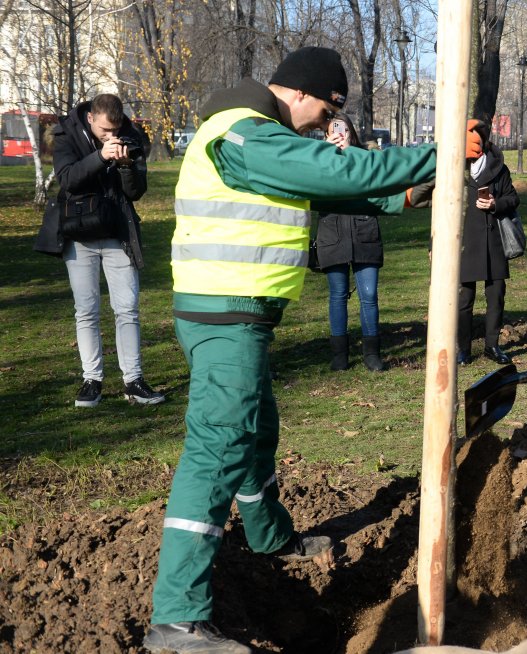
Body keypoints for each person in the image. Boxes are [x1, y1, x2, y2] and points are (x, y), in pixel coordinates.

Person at [144, 46, 442, 654]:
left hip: (239, 318)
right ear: (304, 93)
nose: (321, 125)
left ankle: (268, 537)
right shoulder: (246, 134)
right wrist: (432, 155)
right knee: (218, 447)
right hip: (223, 317)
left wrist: (408, 195)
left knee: (256, 432)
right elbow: (333, 172)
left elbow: (325, 191)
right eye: (326, 110)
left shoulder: (262, 138)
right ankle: (176, 619)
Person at [34, 93, 166, 407]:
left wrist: (124, 167)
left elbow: (137, 192)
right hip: (79, 235)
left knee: (127, 309)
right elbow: (68, 180)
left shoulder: (129, 136)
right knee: (87, 311)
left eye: (115, 131)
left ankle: (133, 381)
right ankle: (91, 380)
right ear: (91, 118)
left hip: (117, 234)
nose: (112, 136)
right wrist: (101, 157)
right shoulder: (66, 134)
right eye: (105, 131)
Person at [314, 113, 388, 372]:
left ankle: (371, 354)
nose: (338, 134)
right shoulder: (319, 159)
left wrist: (351, 155)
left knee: (369, 295)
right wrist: (329, 156)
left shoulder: (364, 156)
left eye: (343, 129)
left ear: (351, 132)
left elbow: (377, 185)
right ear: (325, 135)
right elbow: (315, 196)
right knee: (337, 296)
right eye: (333, 130)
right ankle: (340, 355)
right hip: (332, 235)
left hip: (364, 232)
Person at [458, 118, 519, 365]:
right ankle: (463, 348)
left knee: (496, 296)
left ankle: (492, 345)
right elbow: (439, 209)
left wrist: (495, 203)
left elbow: (513, 199)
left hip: (494, 240)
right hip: (464, 242)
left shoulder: (498, 168)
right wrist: (434, 245)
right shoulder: (453, 167)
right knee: (464, 299)